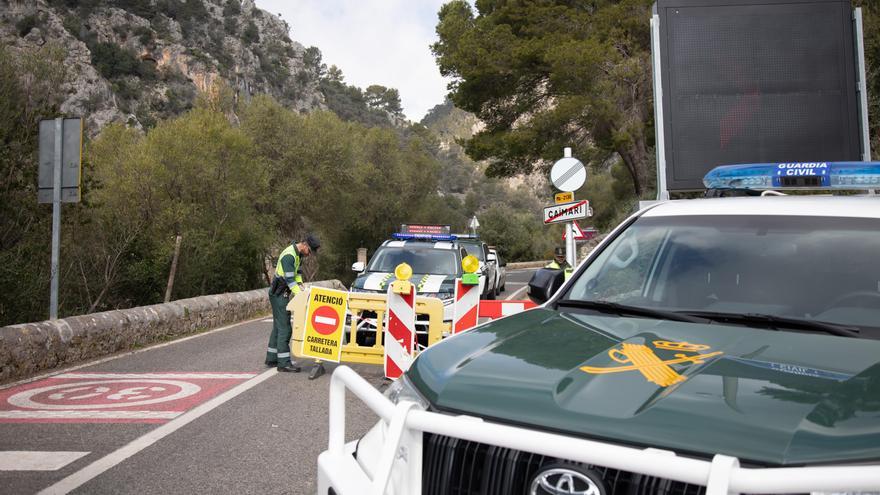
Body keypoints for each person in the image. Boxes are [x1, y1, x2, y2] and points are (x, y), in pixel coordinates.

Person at [266, 235, 320, 372]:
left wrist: (302, 287)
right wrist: (301, 295)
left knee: (278, 327)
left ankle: (272, 358)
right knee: (285, 328)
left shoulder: (298, 255)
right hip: (279, 294)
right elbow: (290, 281)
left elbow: (297, 275)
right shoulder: (289, 256)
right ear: (305, 245)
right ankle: (283, 363)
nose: (309, 255)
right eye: (310, 251)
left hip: (280, 293)